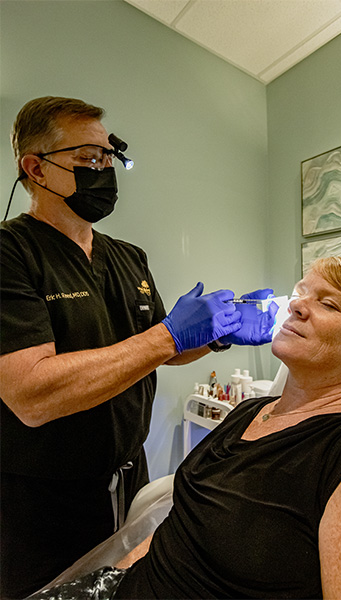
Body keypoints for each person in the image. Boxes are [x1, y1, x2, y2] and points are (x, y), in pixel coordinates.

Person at [0, 96, 278, 599]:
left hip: (130, 475)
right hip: (43, 500)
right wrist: (170, 333)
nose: (105, 170)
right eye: (88, 159)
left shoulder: (128, 257)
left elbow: (160, 350)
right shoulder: (11, 253)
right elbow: (31, 393)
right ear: (35, 168)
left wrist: (215, 335)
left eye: (109, 158)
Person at [28, 256, 341, 600]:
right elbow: (178, 527)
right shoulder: (250, 411)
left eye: (328, 304)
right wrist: (107, 581)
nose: (297, 305)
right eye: (301, 293)